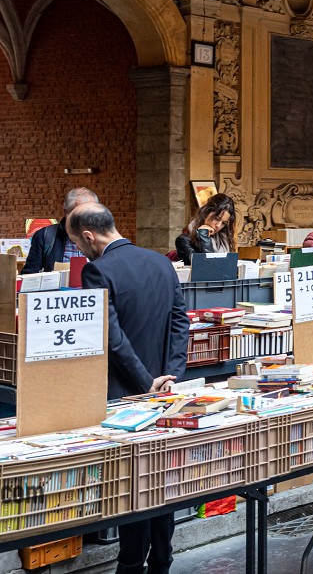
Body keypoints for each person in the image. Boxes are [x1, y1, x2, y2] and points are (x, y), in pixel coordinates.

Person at [69, 202, 190, 574]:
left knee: (133, 482)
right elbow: (180, 322)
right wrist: (169, 375)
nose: (80, 251)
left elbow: (113, 338)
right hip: (166, 390)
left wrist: (144, 383)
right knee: (161, 476)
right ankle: (162, 561)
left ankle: (132, 563)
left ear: (89, 237)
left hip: (125, 391)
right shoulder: (161, 262)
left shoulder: (97, 271)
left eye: (78, 243)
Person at [22, 187, 98, 274]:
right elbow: (29, 274)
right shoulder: (44, 236)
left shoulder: (102, 237)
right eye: (79, 214)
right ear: (66, 212)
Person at [174, 193, 237, 265]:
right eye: (217, 219)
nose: (218, 225)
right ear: (206, 213)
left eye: (224, 223)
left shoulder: (224, 240)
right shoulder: (184, 240)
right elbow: (207, 266)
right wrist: (204, 236)